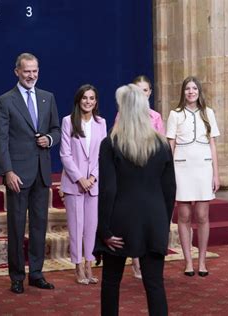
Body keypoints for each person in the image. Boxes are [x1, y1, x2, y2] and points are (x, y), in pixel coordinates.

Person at [94, 84, 176, 315]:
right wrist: (163, 221)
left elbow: (108, 190)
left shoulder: (111, 144)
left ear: (122, 109)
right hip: (154, 220)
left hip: (120, 220)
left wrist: (104, 230)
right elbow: (170, 189)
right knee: (154, 284)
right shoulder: (162, 144)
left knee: (111, 283)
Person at [0, 52, 61, 294]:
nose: (31, 75)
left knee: (40, 226)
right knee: (16, 226)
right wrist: (8, 171)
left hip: (42, 173)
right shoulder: (5, 101)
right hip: (18, 175)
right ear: (17, 72)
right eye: (27, 71)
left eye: (35, 71)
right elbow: (0, 140)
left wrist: (50, 139)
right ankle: (17, 277)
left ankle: (36, 273)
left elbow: (57, 129)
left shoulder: (47, 97)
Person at [166, 76, 220, 277]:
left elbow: (213, 144)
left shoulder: (208, 113)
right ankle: (188, 261)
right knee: (184, 216)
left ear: (199, 91)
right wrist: (168, 173)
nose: (191, 91)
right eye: (187, 88)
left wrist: (216, 173)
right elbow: (170, 145)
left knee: (203, 216)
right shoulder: (175, 114)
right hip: (182, 169)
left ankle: (202, 261)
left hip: (204, 168)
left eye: (194, 88)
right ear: (183, 92)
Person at [60, 84, 107, 285]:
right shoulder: (68, 121)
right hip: (74, 183)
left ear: (96, 102)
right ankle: (77, 266)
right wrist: (80, 178)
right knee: (76, 227)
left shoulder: (101, 123)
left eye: (92, 98)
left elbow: (102, 154)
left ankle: (89, 263)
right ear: (79, 100)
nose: (88, 101)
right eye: (85, 98)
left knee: (91, 227)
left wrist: (93, 178)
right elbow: (65, 154)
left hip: (94, 184)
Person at [130, 75, 165, 279]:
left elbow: (162, 147)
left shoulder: (156, 117)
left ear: (150, 92)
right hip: (132, 175)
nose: (141, 94)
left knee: (150, 220)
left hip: (151, 177)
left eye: (145, 90)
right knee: (134, 221)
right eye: (137, 90)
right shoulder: (123, 116)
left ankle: (149, 261)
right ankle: (135, 262)